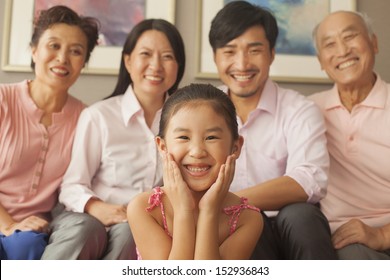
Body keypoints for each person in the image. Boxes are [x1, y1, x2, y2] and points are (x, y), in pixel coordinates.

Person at [46, 19, 185, 260]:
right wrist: (95, 207)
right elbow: (72, 185)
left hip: (144, 225)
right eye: (146, 54)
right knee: (89, 230)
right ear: (128, 61)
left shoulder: (186, 122)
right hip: (91, 218)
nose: (156, 65)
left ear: (178, 66)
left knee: (133, 231)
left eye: (167, 56)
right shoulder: (98, 116)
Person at [208, 1, 336, 259]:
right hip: (234, 229)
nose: (242, 64)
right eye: (230, 51)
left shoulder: (299, 109)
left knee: (301, 214)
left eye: (254, 50)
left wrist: (231, 201)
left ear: (272, 53)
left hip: (291, 228)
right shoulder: (203, 112)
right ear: (215, 57)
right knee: (244, 221)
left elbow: (309, 180)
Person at [0, 5, 99, 260]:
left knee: (27, 247)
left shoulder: (86, 118)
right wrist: (8, 225)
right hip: (7, 223)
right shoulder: (3, 99)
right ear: (34, 50)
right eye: (53, 46)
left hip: (34, 232)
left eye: (76, 51)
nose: (62, 58)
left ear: (83, 63)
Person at [127, 83, 263, 259]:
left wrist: (209, 211)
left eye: (211, 137)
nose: (197, 151)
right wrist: (184, 210)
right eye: (184, 137)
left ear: (235, 147)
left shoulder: (247, 219)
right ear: (162, 146)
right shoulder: (144, 208)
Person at [310, 11, 390, 259]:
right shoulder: (309, 111)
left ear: (373, 43)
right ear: (321, 61)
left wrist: (383, 235)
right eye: (330, 44)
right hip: (342, 241)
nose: (342, 50)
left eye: (350, 36)